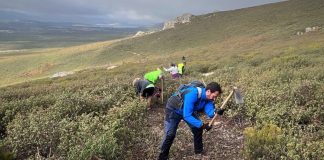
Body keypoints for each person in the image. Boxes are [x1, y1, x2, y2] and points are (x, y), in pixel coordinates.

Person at [158, 82, 224, 160]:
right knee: (170, 134)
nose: (214, 99)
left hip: (187, 110)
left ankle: (199, 151)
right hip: (173, 109)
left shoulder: (208, 98)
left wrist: (215, 112)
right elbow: (187, 116)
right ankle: (162, 157)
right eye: (214, 96)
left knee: (197, 129)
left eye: (216, 97)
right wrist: (202, 125)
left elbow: (209, 111)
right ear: (208, 91)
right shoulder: (193, 94)